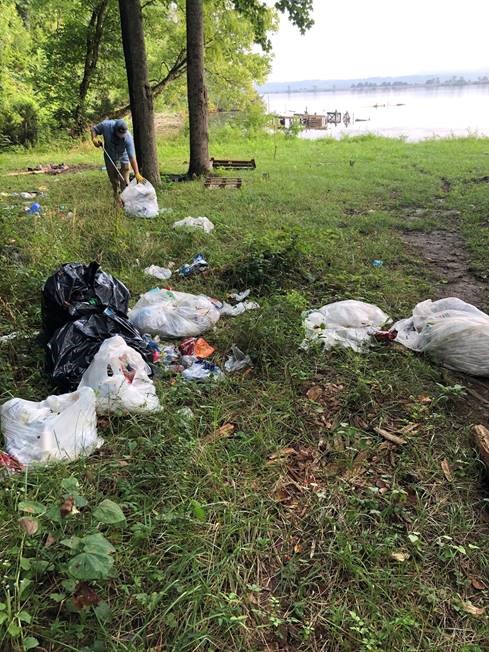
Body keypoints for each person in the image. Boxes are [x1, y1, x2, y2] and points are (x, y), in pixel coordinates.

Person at [90, 119, 144, 203]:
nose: (121, 137)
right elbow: (94, 129)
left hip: (123, 158)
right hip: (110, 157)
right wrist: (94, 139)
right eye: (119, 135)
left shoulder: (128, 138)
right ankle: (117, 200)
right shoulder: (106, 126)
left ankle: (126, 203)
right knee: (114, 181)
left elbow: (132, 157)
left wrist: (137, 173)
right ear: (114, 130)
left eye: (123, 135)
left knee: (125, 182)